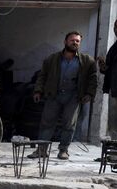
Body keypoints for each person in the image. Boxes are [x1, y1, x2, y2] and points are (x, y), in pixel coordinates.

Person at [29, 31, 98, 160]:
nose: (75, 43)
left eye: (77, 41)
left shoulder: (87, 61)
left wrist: (89, 93)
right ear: (65, 42)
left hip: (73, 97)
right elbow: (42, 76)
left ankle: (63, 150)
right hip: (53, 95)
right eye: (72, 40)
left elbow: (93, 79)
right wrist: (38, 91)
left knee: (69, 124)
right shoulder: (52, 59)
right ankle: (42, 150)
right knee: (47, 123)